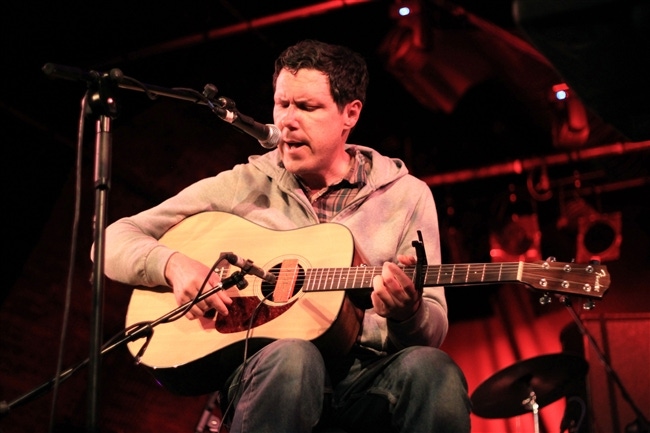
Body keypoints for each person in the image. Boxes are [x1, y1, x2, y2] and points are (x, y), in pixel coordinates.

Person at [98, 39, 471, 432]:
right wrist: (172, 264)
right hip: (270, 374)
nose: (287, 121)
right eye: (282, 104)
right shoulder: (241, 185)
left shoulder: (406, 195)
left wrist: (406, 313)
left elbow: (431, 332)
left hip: (369, 378)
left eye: (307, 107)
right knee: (295, 358)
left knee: (434, 371)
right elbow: (111, 240)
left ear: (350, 113)